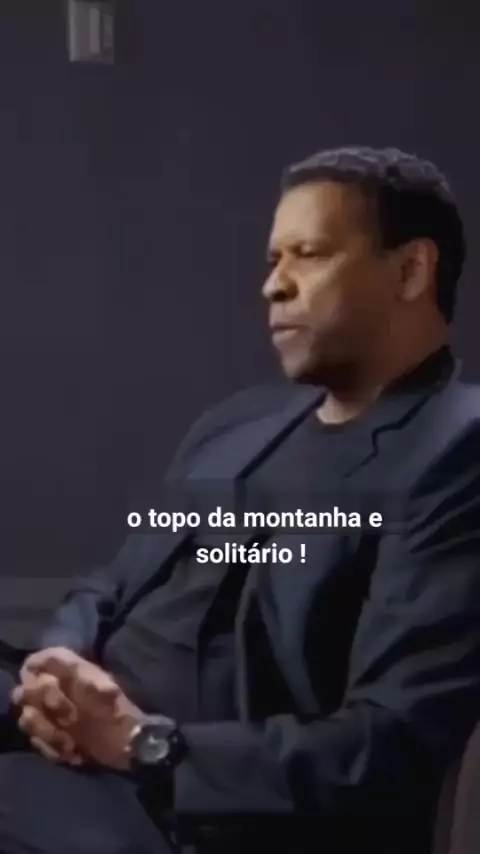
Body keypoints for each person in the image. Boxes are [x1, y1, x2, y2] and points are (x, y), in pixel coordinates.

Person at [1, 145, 480, 854]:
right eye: (273, 259)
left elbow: (389, 742)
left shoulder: (457, 449)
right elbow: (110, 586)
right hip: (71, 747)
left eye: (309, 255)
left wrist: (139, 742)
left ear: (411, 270)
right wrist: (57, 671)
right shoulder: (236, 425)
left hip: (192, 808)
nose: (273, 286)